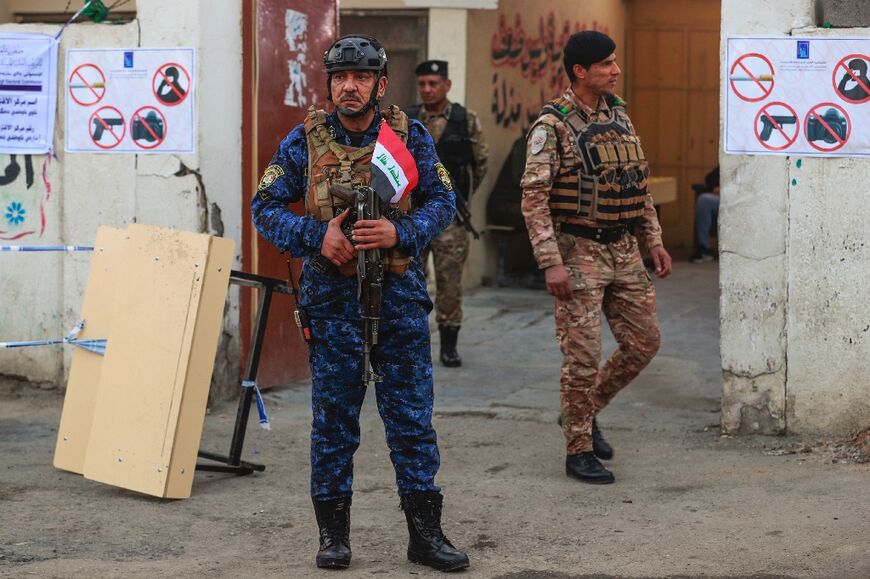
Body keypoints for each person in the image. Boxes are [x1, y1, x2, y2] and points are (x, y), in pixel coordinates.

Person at [251, 35, 469, 572]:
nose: (350, 87)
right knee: (333, 425)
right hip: (332, 303)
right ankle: (333, 538)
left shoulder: (407, 135)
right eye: (341, 78)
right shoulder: (305, 140)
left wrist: (401, 232)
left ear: (379, 84)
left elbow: (445, 201)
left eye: (361, 77)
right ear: (330, 84)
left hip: (397, 300)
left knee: (412, 424)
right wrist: (314, 237)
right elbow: (265, 206)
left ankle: (426, 536)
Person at [520, 30, 672, 485]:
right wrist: (550, 261)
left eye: (614, 62)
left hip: (625, 250)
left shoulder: (618, 115)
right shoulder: (552, 126)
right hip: (578, 251)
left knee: (644, 343)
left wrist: (655, 239)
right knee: (582, 357)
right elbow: (534, 197)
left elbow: (635, 184)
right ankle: (578, 449)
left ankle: (582, 412)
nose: (616, 70)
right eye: (606, 64)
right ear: (580, 71)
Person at [407, 60, 489, 367]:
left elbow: (480, 163)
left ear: (447, 85)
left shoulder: (465, 120)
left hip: (451, 218)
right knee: (409, 280)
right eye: (423, 84)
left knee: (449, 283)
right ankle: (411, 342)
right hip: (413, 216)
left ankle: (449, 346)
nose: (427, 90)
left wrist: (459, 199)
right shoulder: (408, 119)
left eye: (434, 84)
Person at [690, 165, 720, 263]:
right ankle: (704, 248)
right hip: (724, 199)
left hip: (745, 198)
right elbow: (710, 177)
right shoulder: (731, 156)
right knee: (704, 200)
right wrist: (717, 187)